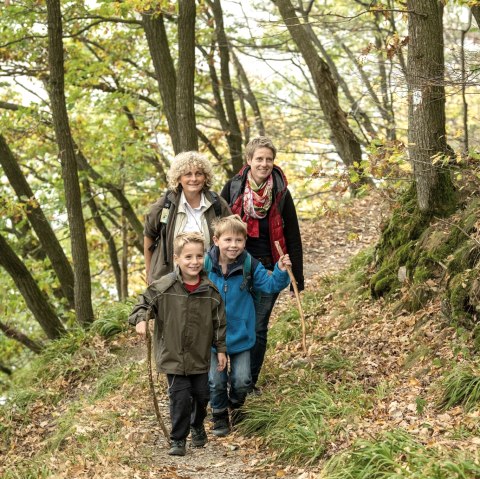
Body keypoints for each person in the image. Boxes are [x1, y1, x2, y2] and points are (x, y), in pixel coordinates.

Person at [129, 232, 227, 456]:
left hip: (200, 355)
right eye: (188, 257)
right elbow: (142, 305)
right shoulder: (164, 286)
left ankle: (196, 424)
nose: (194, 262)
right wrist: (141, 320)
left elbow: (219, 323)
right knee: (180, 397)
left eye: (199, 256)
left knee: (202, 396)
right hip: (172, 355)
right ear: (176, 258)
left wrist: (221, 349)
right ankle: (178, 439)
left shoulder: (210, 291)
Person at [221, 136, 304, 393]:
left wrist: (296, 279)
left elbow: (292, 235)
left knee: (257, 327)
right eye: (259, 158)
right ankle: (225, 379)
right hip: (236, 267)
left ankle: (248, 382)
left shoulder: (280, 191)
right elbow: (219, 227)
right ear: (249, 160)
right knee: (233, 322)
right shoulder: (233, 187)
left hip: (269, 268)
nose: (264, 163)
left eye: (269, 159)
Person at [206, 215, 292, 436]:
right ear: (216, 240)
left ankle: (236, 405)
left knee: (243, 379)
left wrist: (281, 270)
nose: (233, 245)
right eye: (228, 240)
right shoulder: (206, 263)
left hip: (241, 335)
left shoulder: (249, 264)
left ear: (245, 241)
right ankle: (219, 414)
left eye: (239, 240)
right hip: (212, 335)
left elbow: (270, 286)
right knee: (216, 380)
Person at [144, 151, 231, 284]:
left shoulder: (217, 204)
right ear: (179, 178)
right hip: (170, 280)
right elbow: (149, 234)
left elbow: (231, 237)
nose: (194, 179)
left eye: (199, 174)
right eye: (188, 174)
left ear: (205, 177)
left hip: (209, 279)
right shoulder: (166, 204)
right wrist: (149, 271)